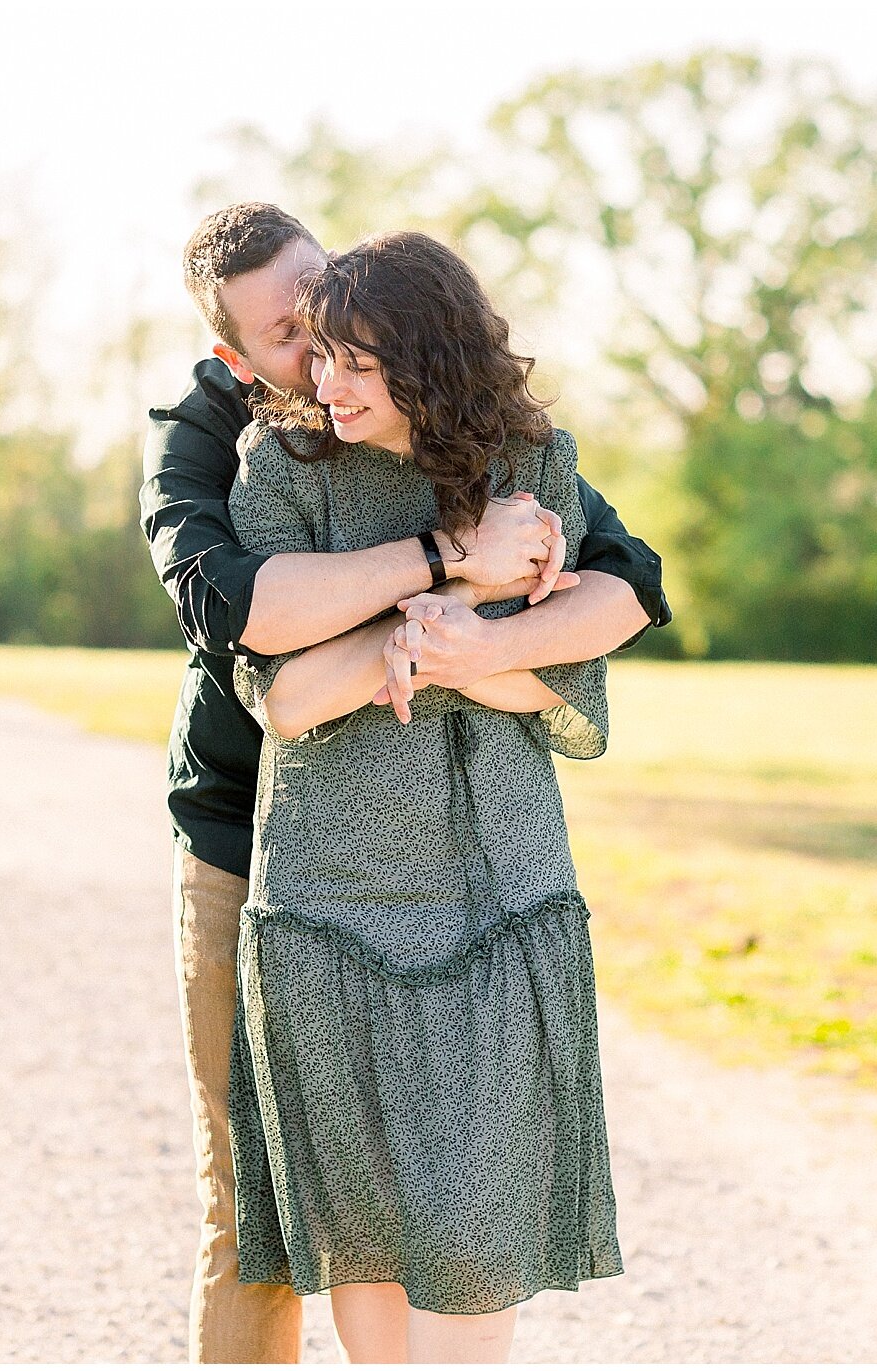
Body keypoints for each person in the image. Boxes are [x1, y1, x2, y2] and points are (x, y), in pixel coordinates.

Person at [139, 203, 672, 1364]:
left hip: (486, 877)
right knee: (275, 1212)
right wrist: (440, 575)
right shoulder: (220, 447)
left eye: (341, 323)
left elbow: (622, 591)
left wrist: (475, 646)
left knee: (469, 1211)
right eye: (296, 338)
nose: (322, 362)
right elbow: (253, 638)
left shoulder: (524, 456)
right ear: (240, 356)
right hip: (263, 847)